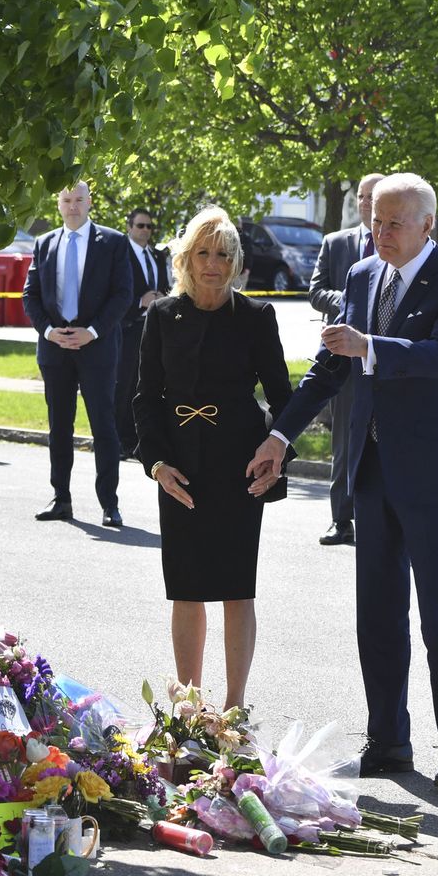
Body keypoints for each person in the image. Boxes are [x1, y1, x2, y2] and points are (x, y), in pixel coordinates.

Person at [247, 172, 438, 789]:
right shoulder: (360, 276)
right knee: (377, 613)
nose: (381, 233)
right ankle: (388, 740)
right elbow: (330, 368)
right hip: (371, 473)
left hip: (432, 476)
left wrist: (370, 345)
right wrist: (280, 436)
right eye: (376, 220)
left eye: (395, 222)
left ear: (427, 225)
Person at [134, 206, 293, 706]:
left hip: (239, 466)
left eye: (223, 254)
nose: (212, 263)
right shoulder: (161, 316)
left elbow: (284, 399)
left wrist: (278, 457)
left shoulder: (255, 317)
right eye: (202, 252)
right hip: (179, 468)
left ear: (236, 260)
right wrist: (156, 464)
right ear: (185, 258)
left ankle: (234, 707)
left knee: (235, 587)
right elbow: (145, 399)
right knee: (185, 587)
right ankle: (189, 704)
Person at [21, 181, 134, 527]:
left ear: (89, 202)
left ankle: (109, 504)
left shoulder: (113, 242)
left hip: (97, 349)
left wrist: (92, 331)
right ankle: (61, 499)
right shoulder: (44, 243)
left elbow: (123, 294)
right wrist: (49, 331)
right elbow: (31, 296)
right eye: (66, 200)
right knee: (59, 428)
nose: (73, 206)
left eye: (79, 200)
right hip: (55, 350)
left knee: (104, 426)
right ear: (58, 204)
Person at [307, 173, 384, 546]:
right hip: (344, 358)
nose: (367, 203)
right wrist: (350, 300)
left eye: (375, 196)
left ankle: (381, 515)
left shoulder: (398, 243)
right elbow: (315, 290)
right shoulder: (336, 243)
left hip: (384, 356)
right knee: (344, 440)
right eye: (363, 197)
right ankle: (341, 519)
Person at [115, 207, 171, 460]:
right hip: (128, 329)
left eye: (149, 226)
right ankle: (120, 439)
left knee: (146, 385)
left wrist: (161, 297)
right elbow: (113, 291)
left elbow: (164, 285)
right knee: (124, 385)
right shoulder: (120, 253)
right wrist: (140, 301)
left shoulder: (157, 255)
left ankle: (139, 440)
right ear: (129, 227)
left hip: (153, 329)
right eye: (140, 226)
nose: (145, 231)